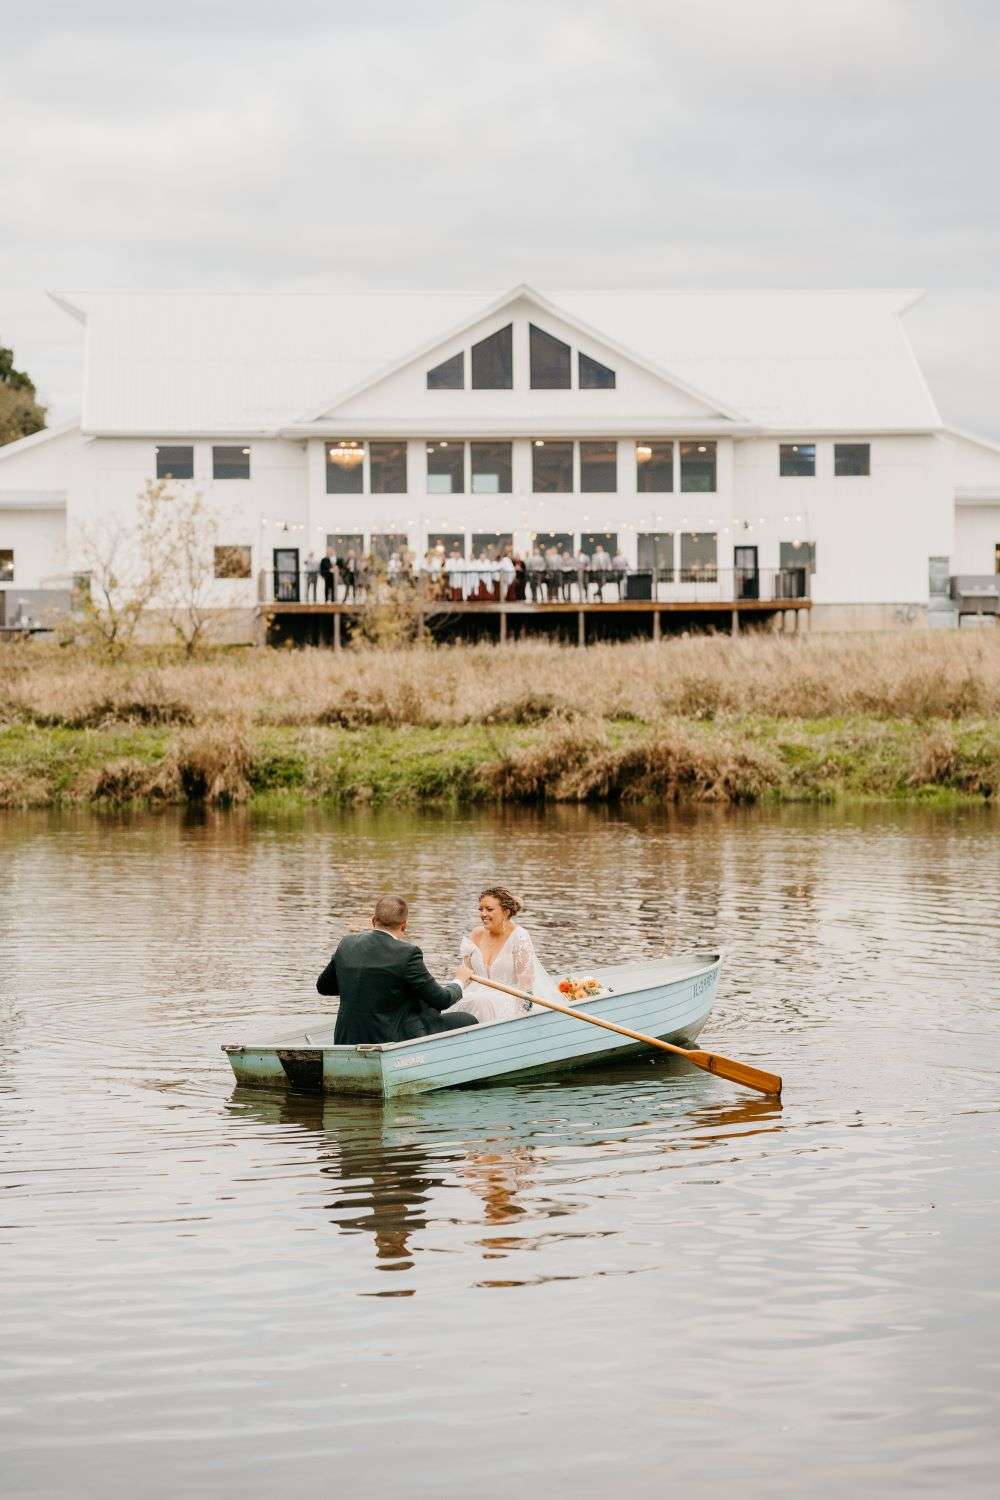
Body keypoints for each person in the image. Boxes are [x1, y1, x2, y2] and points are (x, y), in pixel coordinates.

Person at [318, 895, 477, 1044]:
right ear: (404, 925)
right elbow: (442, 1000)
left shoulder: (347, 943)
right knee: (466, 1020)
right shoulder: (408, 953)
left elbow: (324, 987)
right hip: (389, 1039)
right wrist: (459, 980)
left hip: (346, 1038)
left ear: (374, 920)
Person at [444, 886, 558, 1025]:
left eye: (489, 909)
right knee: (468, 1002)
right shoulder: (476, 934)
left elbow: (526, 983)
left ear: (505, 912)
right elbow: (465, 976)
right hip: (474, 995)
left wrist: (521, 1016)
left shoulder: (519, 937)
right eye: (481, 909)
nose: (483, 914)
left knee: (481, 1002)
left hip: (509, 999)